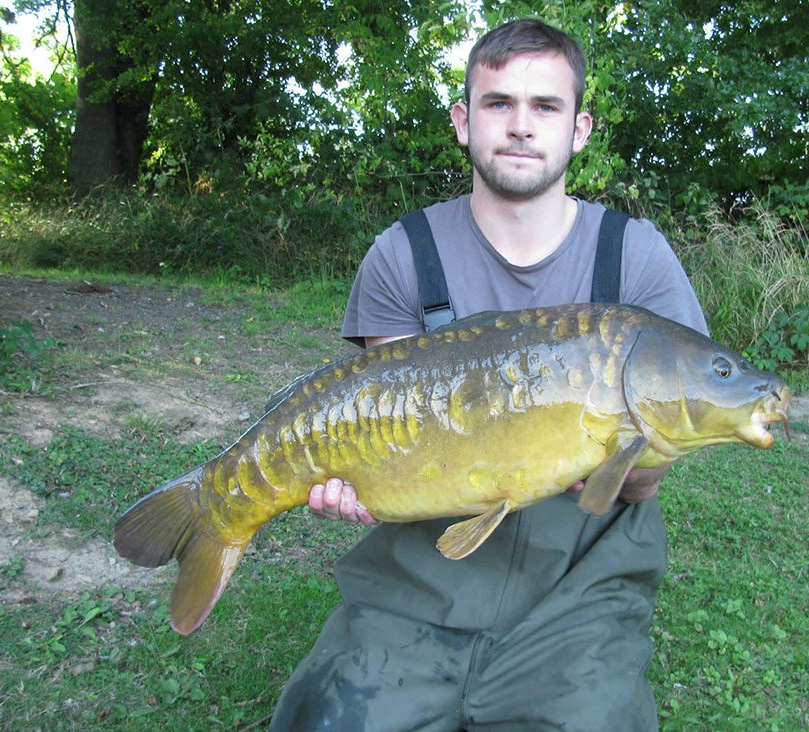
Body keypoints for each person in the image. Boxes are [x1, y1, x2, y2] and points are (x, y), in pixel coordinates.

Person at [271, 18, 707, 731]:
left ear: (580, 129)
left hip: (578, 588)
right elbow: (391, 426)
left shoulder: (636, 258)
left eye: (546, 106)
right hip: (424, 574)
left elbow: (644, 480)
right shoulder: (404, 254)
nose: (521, 125)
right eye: (499, 102)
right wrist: (360, 479)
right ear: (463, 121)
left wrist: (638, 463)